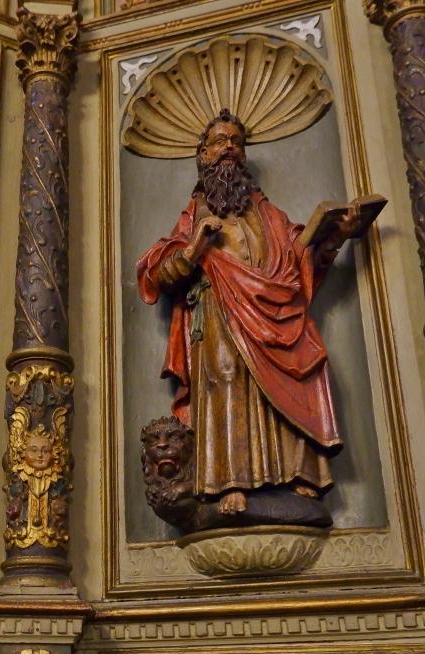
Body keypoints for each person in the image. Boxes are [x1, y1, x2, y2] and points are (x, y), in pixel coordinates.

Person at [136, 110, 356, 518]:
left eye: (236, 142)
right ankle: (229, 482)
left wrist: (334, 236)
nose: (229, 148)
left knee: (307, 364)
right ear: (203, 154)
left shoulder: (267, 213)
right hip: (220, 311)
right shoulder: (196, 213)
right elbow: (158, 272)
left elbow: (300, 263)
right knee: (227, 381)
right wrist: (193, 249)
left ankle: (298, 472)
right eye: (220, 141)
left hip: (276, 311)